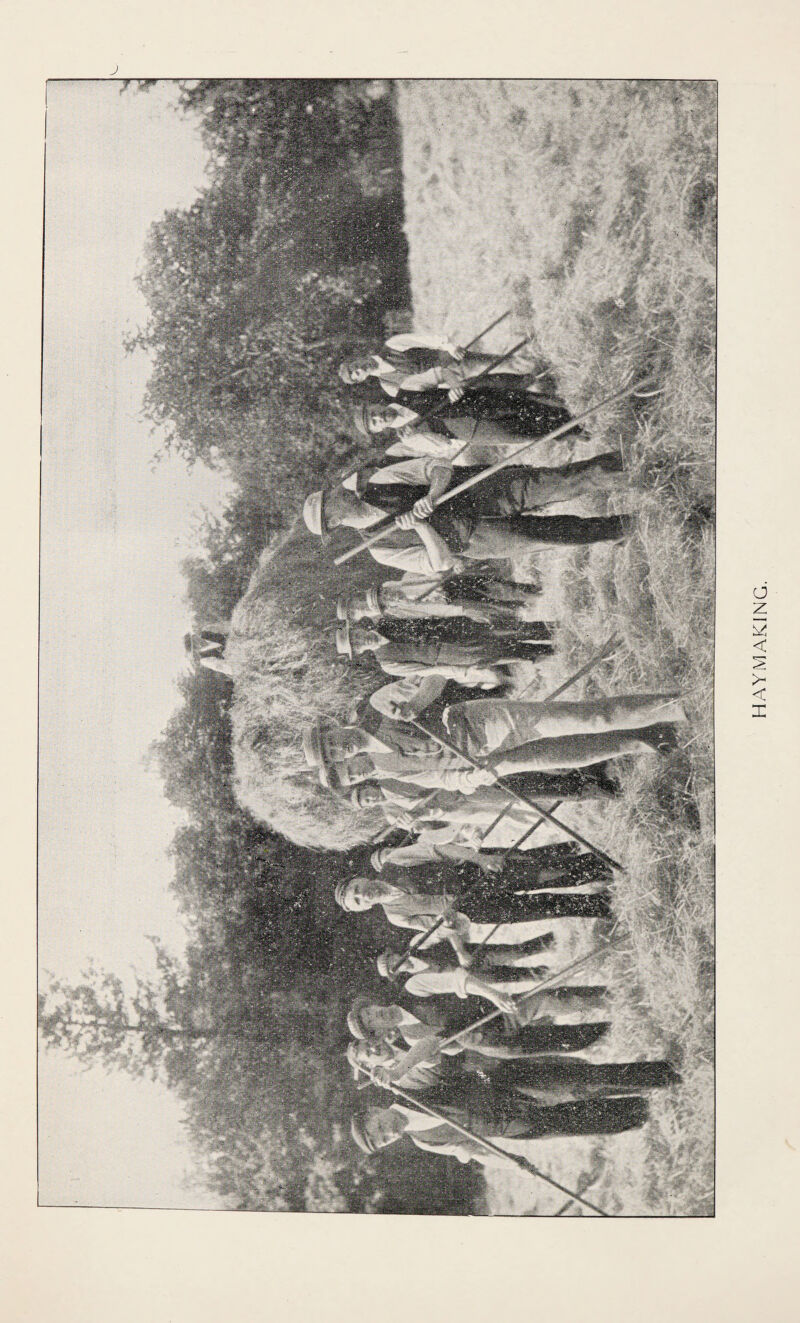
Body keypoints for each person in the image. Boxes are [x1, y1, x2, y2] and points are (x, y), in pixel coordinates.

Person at [301, 455, 632, 577]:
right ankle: (629, 526)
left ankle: (634, 468)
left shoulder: (380, 482)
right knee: (559, 534)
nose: (339, 491)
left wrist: (432, 495)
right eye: (331, 501)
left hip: (480, 490)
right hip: (478, 539)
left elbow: (438, 465)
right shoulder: (378, 550)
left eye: (331, 492)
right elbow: (441, 564)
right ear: (334, 522)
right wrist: (422, 528)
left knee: (560, 483)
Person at [333, 876, 613, 954]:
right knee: (541, 907)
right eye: (358, 901)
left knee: (538, 878)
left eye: (357, 889)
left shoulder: (394, 867)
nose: (364, 895)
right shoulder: (395, 916)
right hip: (471, 909)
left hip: (471, 879)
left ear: (361, 878)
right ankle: (603, 904)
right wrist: (446, 924)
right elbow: (436, 929)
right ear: (364, 908)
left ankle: (599, 872)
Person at [350, 1092, 651, 1162]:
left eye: (379, 1128)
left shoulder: (407, 1090)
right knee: (572, 1123)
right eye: (384, 1140)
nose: (389, 1134)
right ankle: (638, 1115)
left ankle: (644, 1089)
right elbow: (471, 1148)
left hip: (509, 1093)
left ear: (376, 1109)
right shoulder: (423, 1141)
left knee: (575, 1089)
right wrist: (512, 1161)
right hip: (510, 1128)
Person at [346, 995, 610, 1059]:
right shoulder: (410, 1038)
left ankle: (607, 999)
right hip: (487, 1040)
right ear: (378, 1034)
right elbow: (449, 1052)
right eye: (371, 1022)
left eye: (368, 1011)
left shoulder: (410, 991)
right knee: (560, 1041)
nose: (375, 1015)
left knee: (547, 1001)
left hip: (487, 1010)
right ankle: (609, 1030)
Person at [335, 618, 552, 688]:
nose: (362, 639)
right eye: (357, 644)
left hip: (456, 629)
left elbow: (425, 616)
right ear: (360, 651)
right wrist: (464, 670)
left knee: (519, 629)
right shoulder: (387, 662)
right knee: (520, 652)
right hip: (457, 654)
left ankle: (562, 626)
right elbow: (430, 670)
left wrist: (461, 616)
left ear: (359, 628)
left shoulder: (386, 622)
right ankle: (554, 651)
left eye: (357, 635)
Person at [337, 331, 540, 399]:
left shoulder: (392, 346)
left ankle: (541, 363)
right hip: (451, 385)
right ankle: (539, 379)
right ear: (361, 379)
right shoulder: (388, 386)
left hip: (454, 363)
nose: (360, 370)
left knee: (502, 364)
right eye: (357, 375)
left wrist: (449, 346)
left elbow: (425, 340)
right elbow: (421, 395)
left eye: (356, 367)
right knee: (497, 386)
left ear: (358, 359)